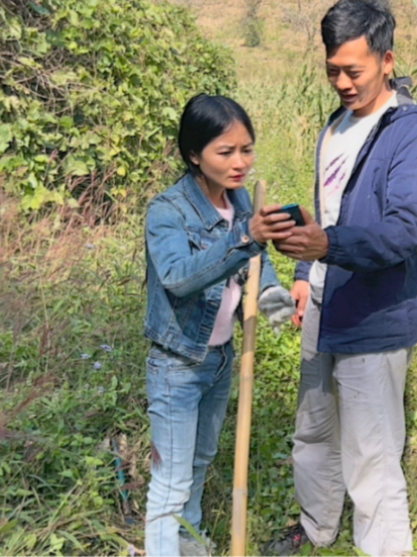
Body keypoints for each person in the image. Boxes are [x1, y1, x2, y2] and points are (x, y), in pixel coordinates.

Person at [270, 0, 417, 556]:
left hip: (374, 316)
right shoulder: (336, 124)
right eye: (332, 71)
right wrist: (302, 268)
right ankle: (316, 527)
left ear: (387, 61)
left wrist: (328, 245)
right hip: (323, 304)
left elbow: (405, 231)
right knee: (314, 433)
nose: (341, 82)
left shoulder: (409, 132)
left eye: (354, 71)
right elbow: (328, 209)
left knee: (372, 457)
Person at [143, 94, 297, 557]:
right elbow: (178, 276)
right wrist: (245, 237)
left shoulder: (241, 199)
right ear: (194, 154)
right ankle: (164, 549)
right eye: (225, 152)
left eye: (246, 150)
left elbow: (255, 265)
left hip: (221, 357)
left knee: (200, 460)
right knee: (170, 477)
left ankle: (186, 544)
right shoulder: (167, 211)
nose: (239, 163)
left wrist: (277, 305)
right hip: (178, 363)